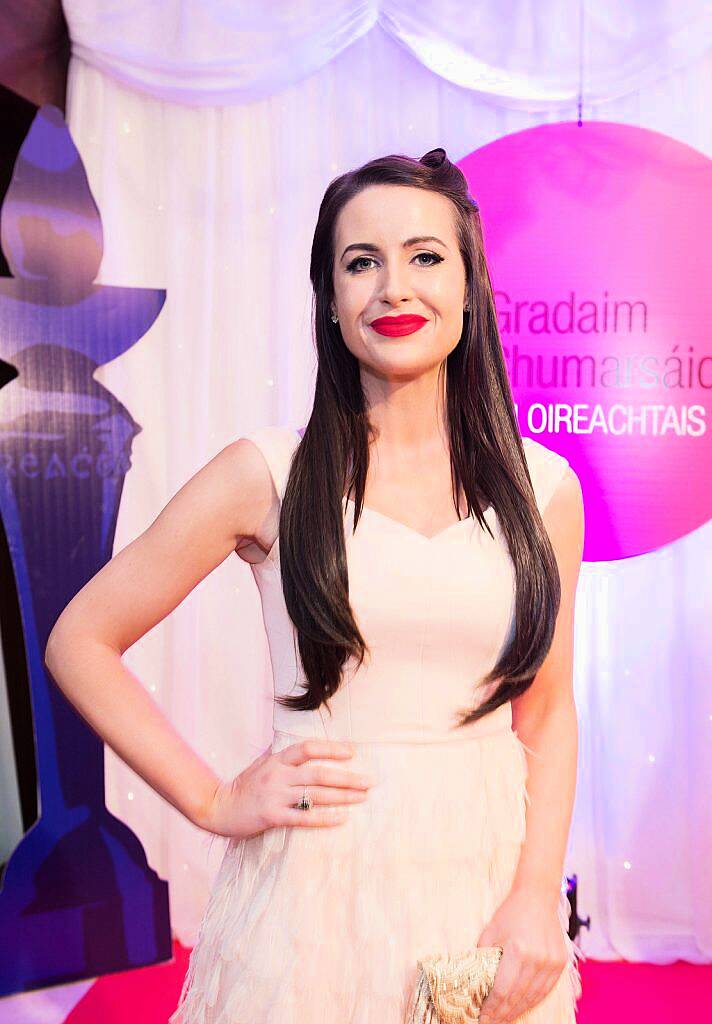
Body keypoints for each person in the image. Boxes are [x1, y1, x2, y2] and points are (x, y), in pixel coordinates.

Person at [45, 147, 585, 1023]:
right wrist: (213, 799)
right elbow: (79, 640)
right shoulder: (266, 474)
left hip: (486, 890)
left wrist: (535, 898)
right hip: (314, 894)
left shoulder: (544, 489)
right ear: (331, 303)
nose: (393, 288)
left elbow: (548, 711)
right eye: (360, 263)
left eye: (424, 256)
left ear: (468, 284)